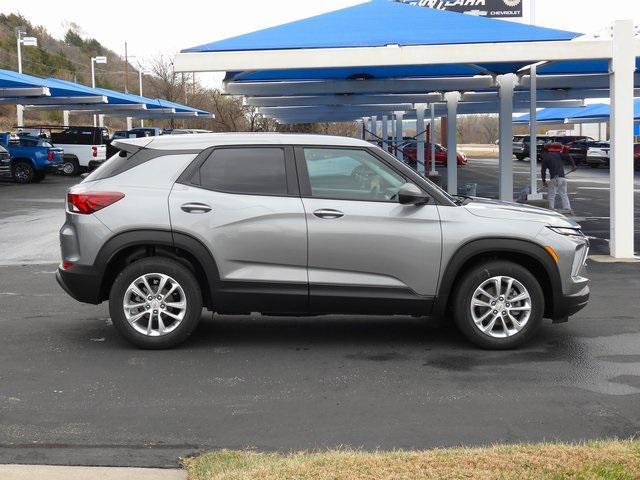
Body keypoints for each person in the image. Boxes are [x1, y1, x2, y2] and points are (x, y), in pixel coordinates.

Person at [541, 142, 576, 212]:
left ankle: (551, 209)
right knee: (564, 194)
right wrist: (573, 165)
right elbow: (568, 156)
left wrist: (544, 181)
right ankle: (567, 208)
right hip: (563, 178)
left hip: (554, 178)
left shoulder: (546, 157)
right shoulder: (559, 154)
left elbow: (543, 171)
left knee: (551, 195)